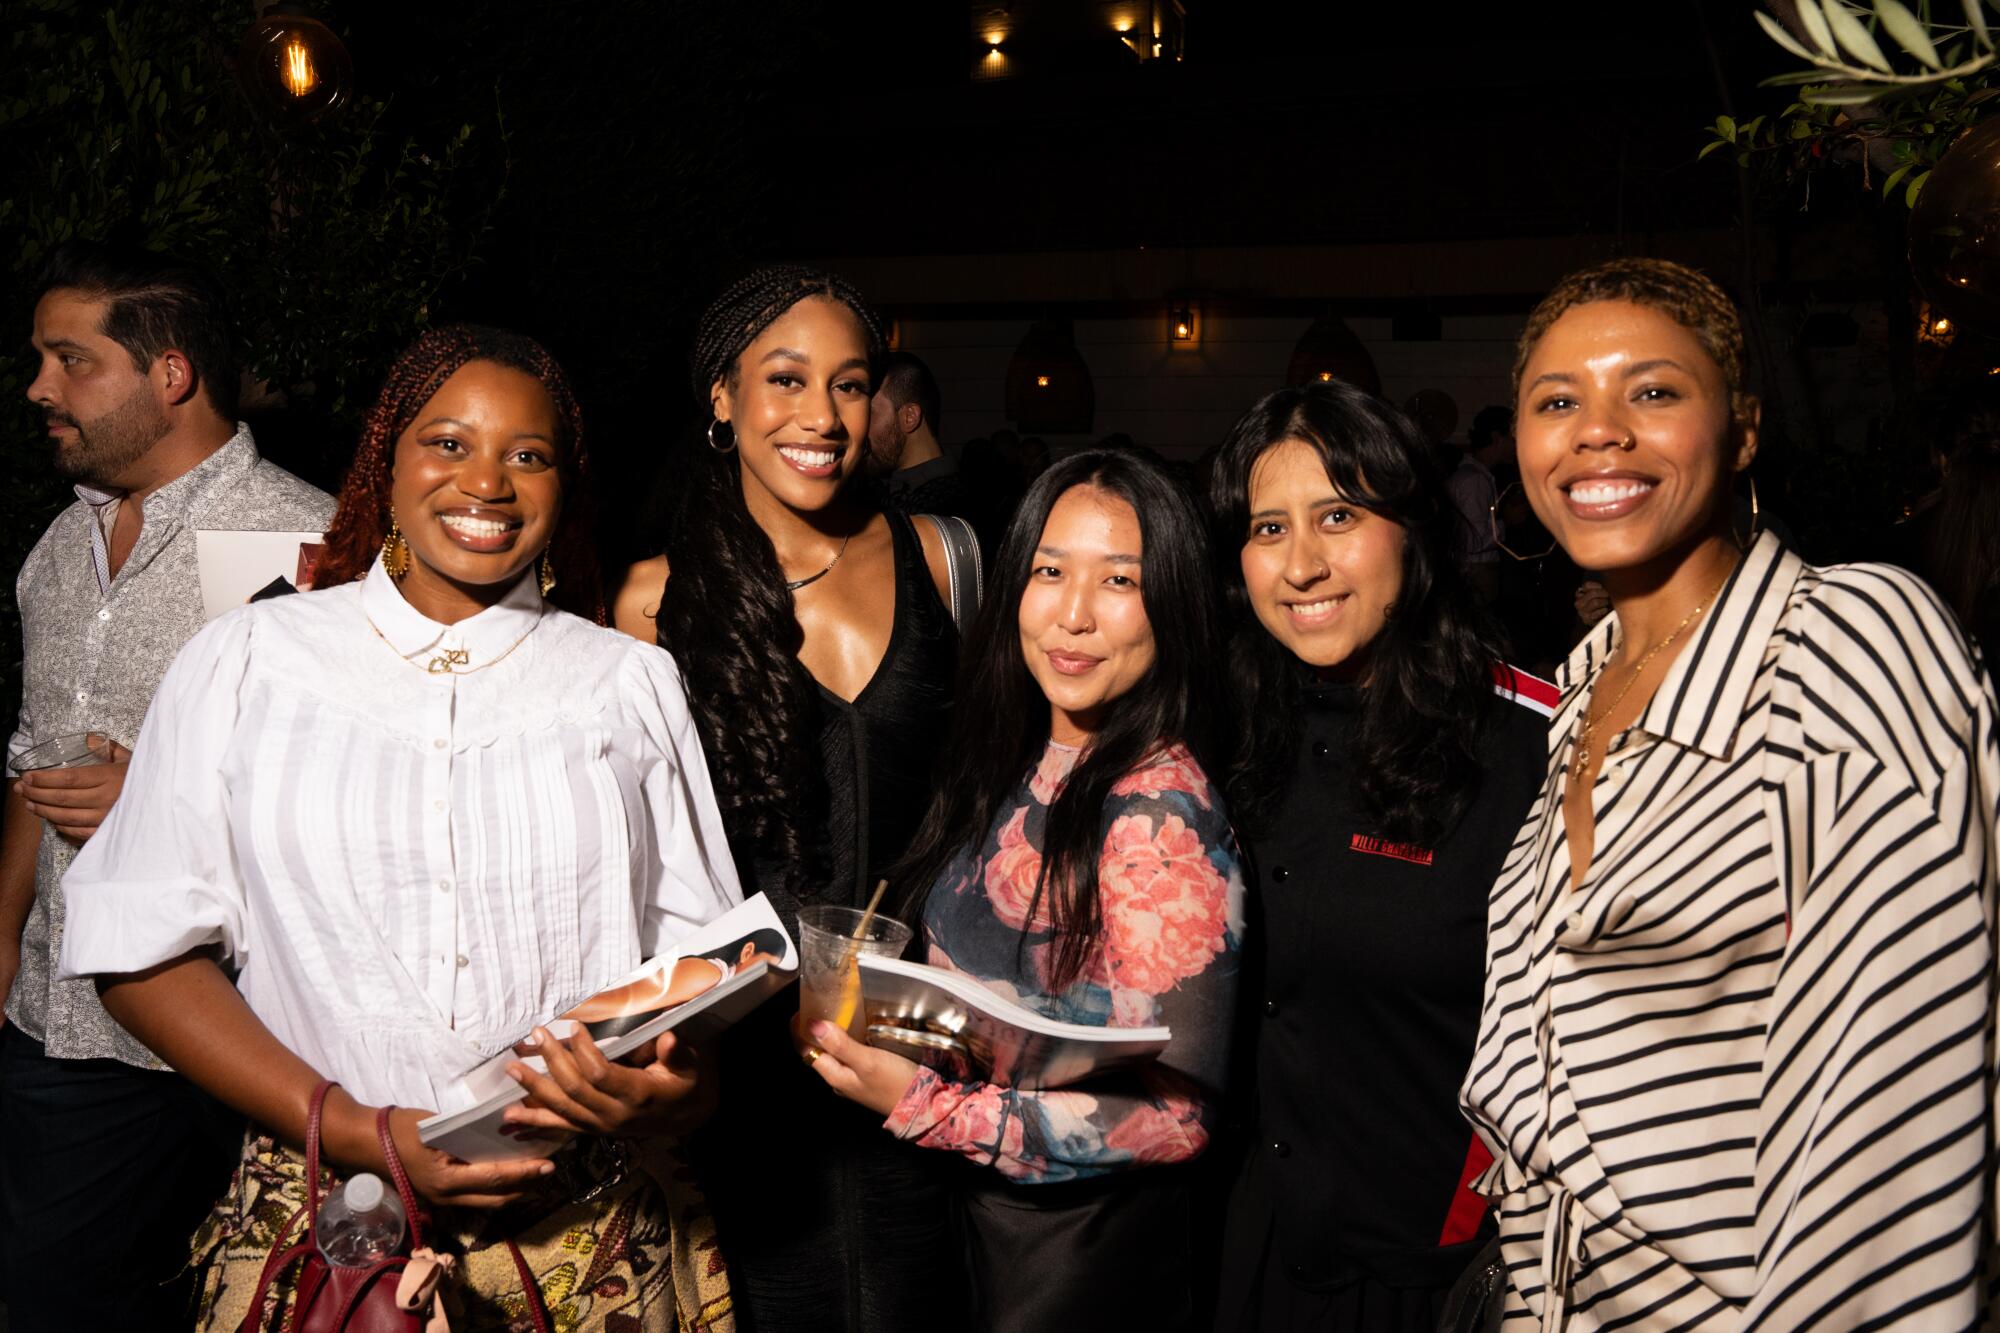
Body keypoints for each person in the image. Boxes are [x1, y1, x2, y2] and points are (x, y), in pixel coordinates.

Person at [58, 324, 743, 1331]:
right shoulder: (248, 658)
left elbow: (698, 975)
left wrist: (674, 1093)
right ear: (387, 461)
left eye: (528, 454)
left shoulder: (626, 682)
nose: (489, 483)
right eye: (448, 442)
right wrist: (355, 1126)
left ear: (565, 485)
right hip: (327, 1235)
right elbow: (137, 948)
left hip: (592, 1240)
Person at [1462, 257, 2000, 1327]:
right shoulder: (1572, 697)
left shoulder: (1845, 642)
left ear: (1742, 430)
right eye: (1555, 400)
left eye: (1651, 391)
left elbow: (1898, 1120)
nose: (1596, 430)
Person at [806, 448, 1247, 1333]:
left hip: (1082, 1268)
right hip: (974, 1235)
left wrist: (924, 1105)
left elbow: (1177, 1117)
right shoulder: (1010, 756)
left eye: (1119, 579)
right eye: (1050, 570)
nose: (1073, 614)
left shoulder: (1158, 808)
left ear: (1172, 600)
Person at [612, 266, 968, 1330]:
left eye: (849, 384)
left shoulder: (947, 559)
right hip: (747, 1092)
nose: (821, 416)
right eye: (785, 379)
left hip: (923, 1059)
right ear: (721, 397)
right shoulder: (652, 600)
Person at [2, 241, 334, 1327]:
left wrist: (170, 801)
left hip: (234, 1022)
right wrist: (2, 937)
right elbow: (34, 762)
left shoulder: (302, 538)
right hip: (64, 1019)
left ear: (171, 374)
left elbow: (356, 795)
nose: (39, 388)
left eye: (70, 360)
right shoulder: (60, 547)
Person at [1207, 381, 1555, 1332]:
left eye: (1338, 515)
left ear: (1411, 528)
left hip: (1445, 1282)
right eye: (1268, 528)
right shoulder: (1218, 733)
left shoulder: (1534, 745)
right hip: (1250, 1258)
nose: (1302, 564)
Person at [867, 351, 988, 546]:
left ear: (909, 417)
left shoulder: (954, 512)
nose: (860, 427)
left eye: (869, 414)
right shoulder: (880, 492)